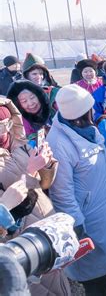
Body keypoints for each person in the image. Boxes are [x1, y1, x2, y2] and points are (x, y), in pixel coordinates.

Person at [47, 84, 106, 295]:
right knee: (91, 272)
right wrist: (76, 224)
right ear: (83, 111)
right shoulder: (59, 143)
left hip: (101, 209)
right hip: (86, 217)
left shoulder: (83, 128)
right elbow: (61, 191)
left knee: (102, 265)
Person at [0, 96, 71, 295]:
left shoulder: (20, 145)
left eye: (7, 121)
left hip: (44, 221)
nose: (4, 128)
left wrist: (47, 165)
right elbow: (13, 202)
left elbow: (44, 184)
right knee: (38, 284)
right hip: (19, 235)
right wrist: (30, 172)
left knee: (56, 277)